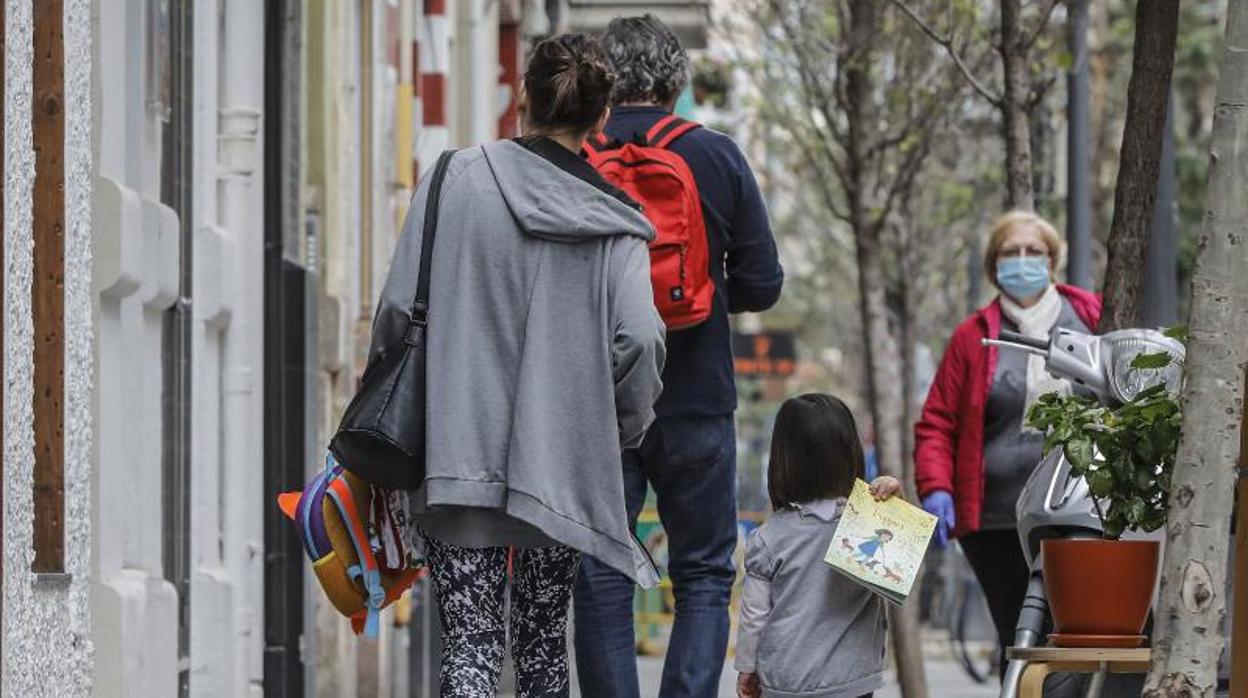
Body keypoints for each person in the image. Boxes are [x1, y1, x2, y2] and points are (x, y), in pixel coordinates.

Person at [371, 33, 666, 697]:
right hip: (558, 475)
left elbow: (395, 311)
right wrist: (615, 429)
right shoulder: (617, 223)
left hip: (455, 455)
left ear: (522, 102)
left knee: (470, 648)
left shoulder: (451, 182)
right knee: (541, 652)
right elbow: (642, 341)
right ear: (600, 121)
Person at [573, 15, 785, 698]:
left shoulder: (575, 155)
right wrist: (703, 286)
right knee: (702, 571)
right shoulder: (716, 156)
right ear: (675, 80)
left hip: (595, 398)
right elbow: (763, 283)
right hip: (696, 394)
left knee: (602, 565)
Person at [914, 210, 1101, 676]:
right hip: (994, 519)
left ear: (1052, 259)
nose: (1022, 260)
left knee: (1071, 635)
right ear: (993, 264)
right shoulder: (973, 336)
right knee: (1015, 635)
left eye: (1032, 251)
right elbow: (937, 421)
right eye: (1009, 252)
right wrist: (936, 487)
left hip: (1079, 512)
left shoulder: (1091, 316)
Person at [734, 393, 899, 698]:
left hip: (785, 682)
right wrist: (894, 503)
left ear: (783, 460)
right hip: (852, 680)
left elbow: (754, 616)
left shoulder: (770, 537)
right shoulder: (866, 525)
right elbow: (903, 564)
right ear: (852, 454)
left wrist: (747, 667)